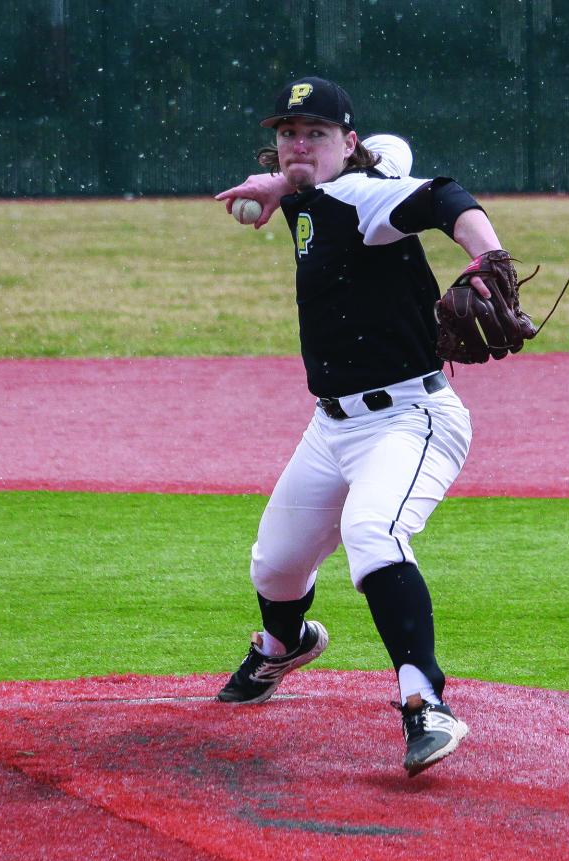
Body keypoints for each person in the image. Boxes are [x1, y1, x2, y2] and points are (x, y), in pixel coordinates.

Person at [212, 75, 506, 776]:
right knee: (275, 567)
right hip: (331, 427)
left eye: (314, 133)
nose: (296, 144)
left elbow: (444, 196)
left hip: (411, 418)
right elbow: (311, 189)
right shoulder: (315, 193)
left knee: (373, 533)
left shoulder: (363, 197)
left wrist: (487, 256)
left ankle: (425, 701)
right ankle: (285, 647)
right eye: (288, 133)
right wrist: (284, 187)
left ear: (348, 143)